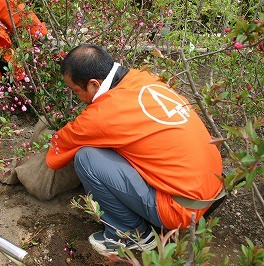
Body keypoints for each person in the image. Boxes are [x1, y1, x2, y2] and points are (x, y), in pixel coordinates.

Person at [46, 44, 224, 254]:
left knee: (87, 158)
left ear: (94, 84)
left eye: (76, 90)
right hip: (213, 189)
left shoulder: (102, 115)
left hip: (181, 210)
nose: (76, 96)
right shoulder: (143, 77)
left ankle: (129, 234)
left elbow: (54, 157)